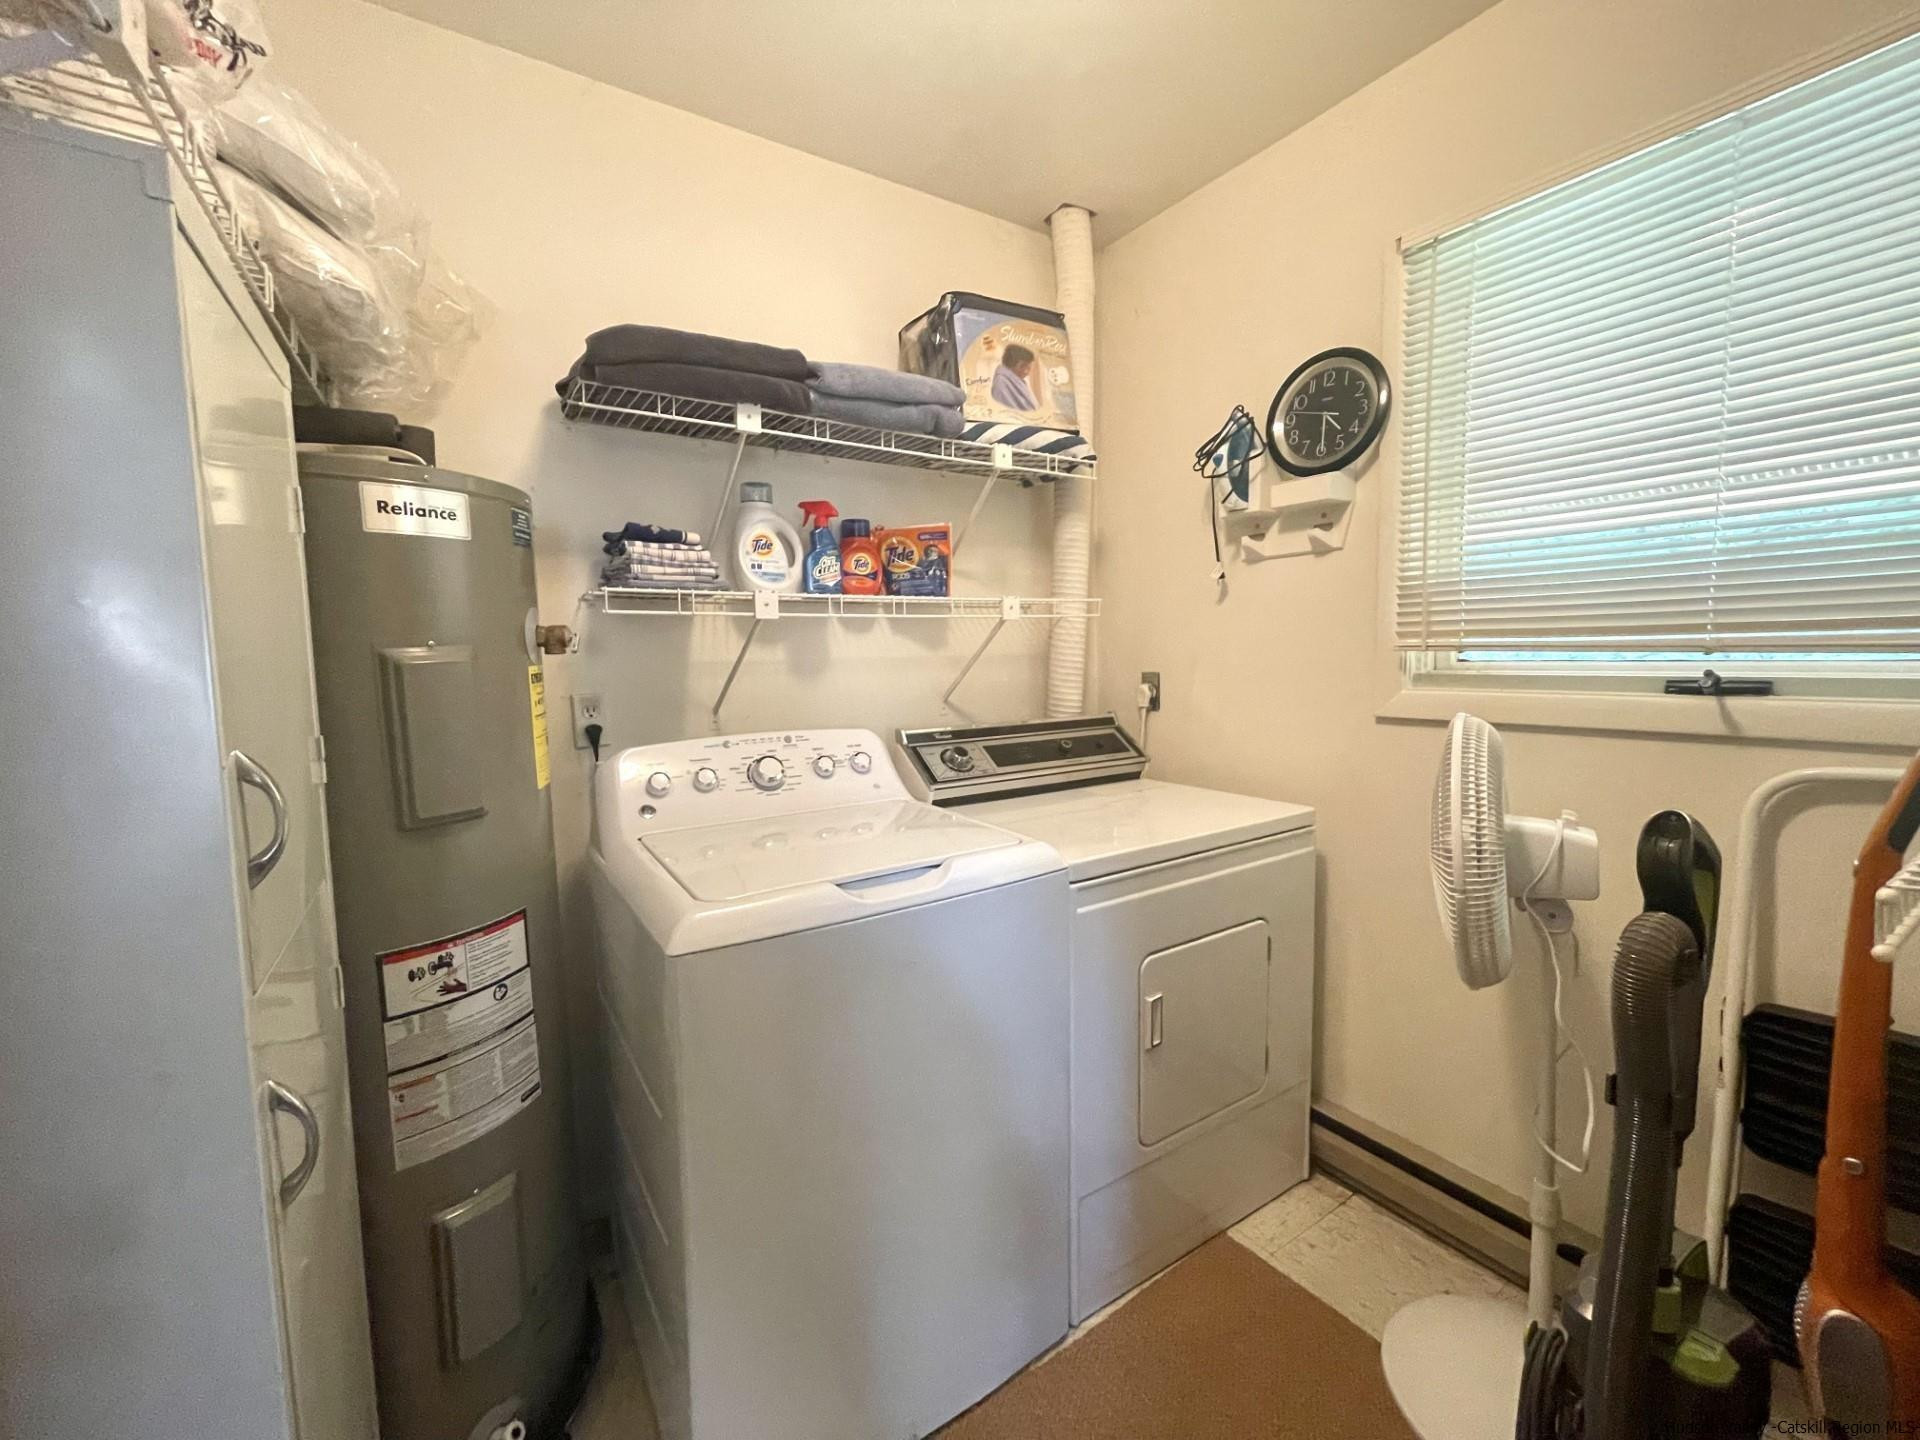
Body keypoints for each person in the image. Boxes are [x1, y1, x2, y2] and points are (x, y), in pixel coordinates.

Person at [991, 343, 1040, 412]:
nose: (1026, 372)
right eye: (1022, 366)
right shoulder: (1001, 383)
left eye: (1028, 368)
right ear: (1011, 364)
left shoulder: (1020, 381)